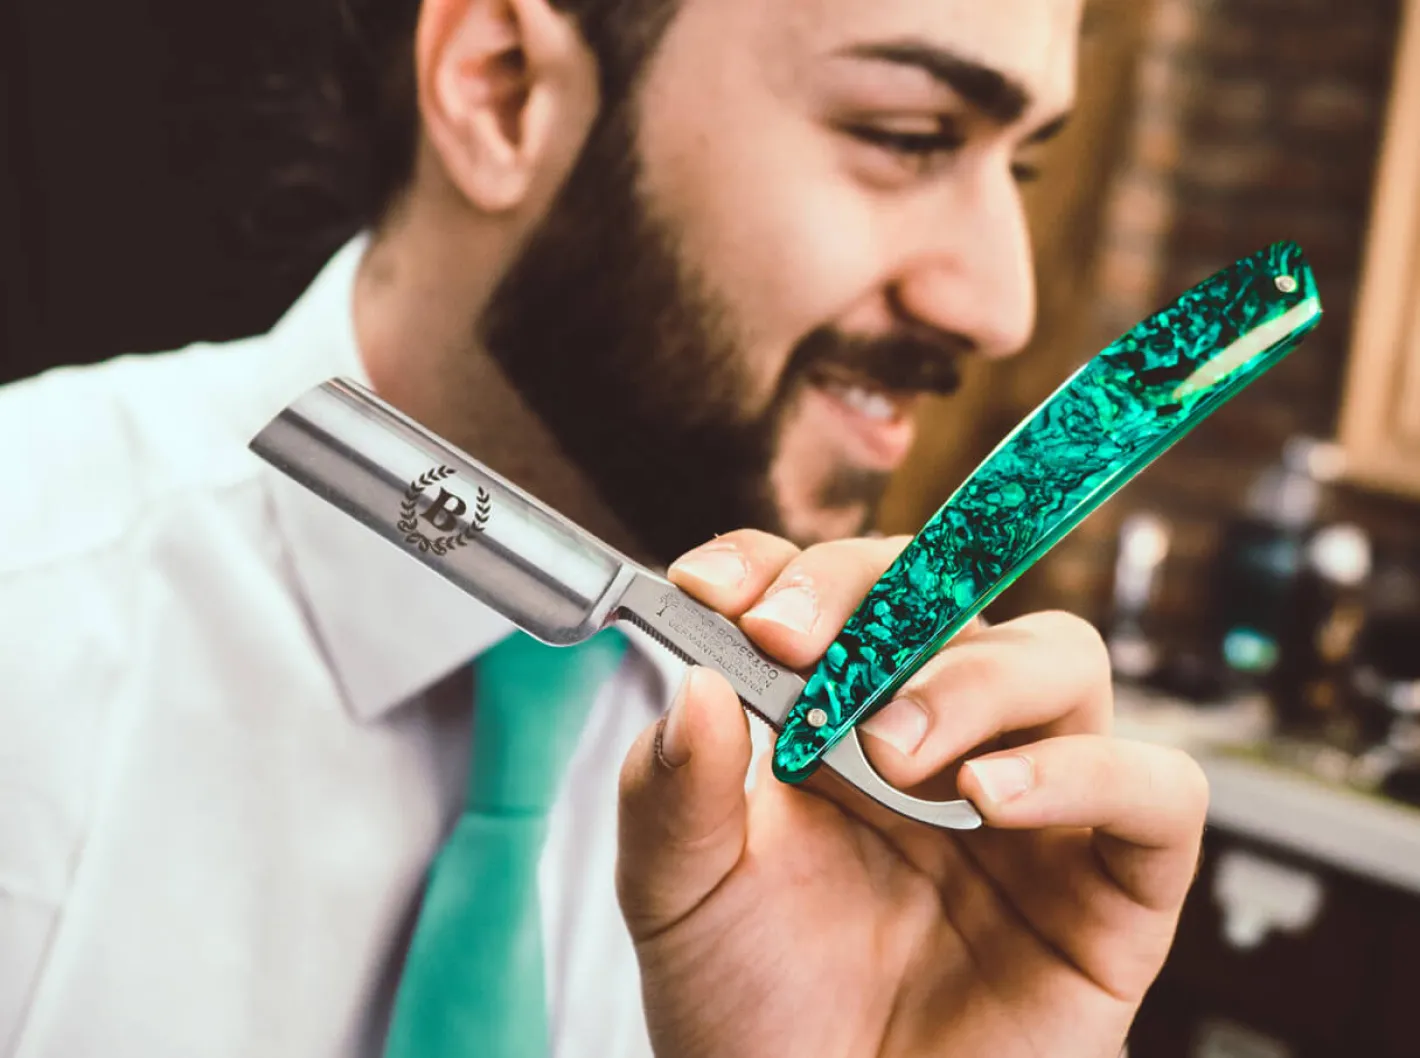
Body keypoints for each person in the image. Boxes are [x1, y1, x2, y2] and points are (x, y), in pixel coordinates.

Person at [0, 0, 1208, 1055]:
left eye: (1021, 168)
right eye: (907, 136)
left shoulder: (877, 832)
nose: (1001, 306)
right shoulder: (28, 591)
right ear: (501, 93)